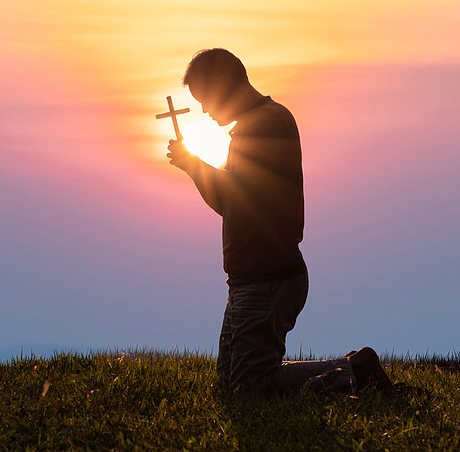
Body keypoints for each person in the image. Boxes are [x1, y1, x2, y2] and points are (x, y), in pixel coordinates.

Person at [166, 48, 394, 394]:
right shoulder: (250, 128)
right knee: (232, 384)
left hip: (268, 278)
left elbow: (239, 196)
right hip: (249, 279)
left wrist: (196, 165)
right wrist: (191, 166)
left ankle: (355, 371)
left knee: (251, 385)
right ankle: (350, 370)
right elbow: (230, 203)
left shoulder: (267, 124)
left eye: (206, 100)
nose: (206, 111)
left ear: (226, 82)